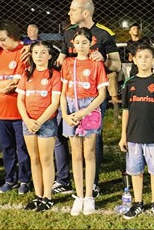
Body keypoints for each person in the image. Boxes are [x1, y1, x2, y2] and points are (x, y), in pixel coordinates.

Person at [54, 0, 120, 197]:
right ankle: (66, 180)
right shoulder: (67, 33)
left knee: (93, 142)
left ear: (85, 13)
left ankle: (93, 183)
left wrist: (105, 61)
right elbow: (61, 61)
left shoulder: (104, 34)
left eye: (73, 10)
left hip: (93, 97)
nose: (69, 13)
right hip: (70, 96)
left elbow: (117, 65)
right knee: (67, 137)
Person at [60, 28, 109, 216]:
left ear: (91, 44)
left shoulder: (96, 64)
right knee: (76, 155)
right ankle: (78, 196)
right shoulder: (67, 63)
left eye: (84, 42)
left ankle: (89, 196)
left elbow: (101, 95)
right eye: (77, 42)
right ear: (73, 44)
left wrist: (84, 113)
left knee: (89, 154)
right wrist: (65, 114)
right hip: (71, 110)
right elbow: (63, 93)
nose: (81, 46)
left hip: (89, 109)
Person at [118, 44, 154, 220]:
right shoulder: (129, 83)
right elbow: (125, 111)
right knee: (135, 170)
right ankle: (138, 202)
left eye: (148, 57)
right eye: (140, 57)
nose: (144, 60)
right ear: (134, 60)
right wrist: (124, 136)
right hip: (133, 136)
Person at [16, 41, 61, 212]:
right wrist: (27, 120)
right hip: (28, 123)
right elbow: (20, 100)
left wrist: (39, 121)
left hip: (46, 123)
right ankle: (38, 195)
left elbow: (54, 103)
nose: (39, 56)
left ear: (49, 56)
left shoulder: (54, 76)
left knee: (46, 160)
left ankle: (48, 197)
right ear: (31, 55)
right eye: (36, 53)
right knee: (34, 159)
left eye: (43, 53)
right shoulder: (26, 75)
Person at [0, 21, 31, 195]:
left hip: (20, 112)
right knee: (7, 148)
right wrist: (1, 85)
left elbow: (21, 80)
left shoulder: (24, 52)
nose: (0, 43)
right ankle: (10, 179)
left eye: (3, 39)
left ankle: (25, 180)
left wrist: (0, 84)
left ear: (13, 35)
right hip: (1, 112)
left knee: (22, 148)